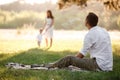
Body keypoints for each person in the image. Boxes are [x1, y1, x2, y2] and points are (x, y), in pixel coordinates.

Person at [44, 12, 113, 71]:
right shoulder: (104, 31)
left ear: (86, 22)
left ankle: (52, 66)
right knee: (82, 60)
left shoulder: (90, 34)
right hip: (108, 66)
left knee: (70, 58)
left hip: (99, 65)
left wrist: (73, 61)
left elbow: (81, 54)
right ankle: (55, 64)